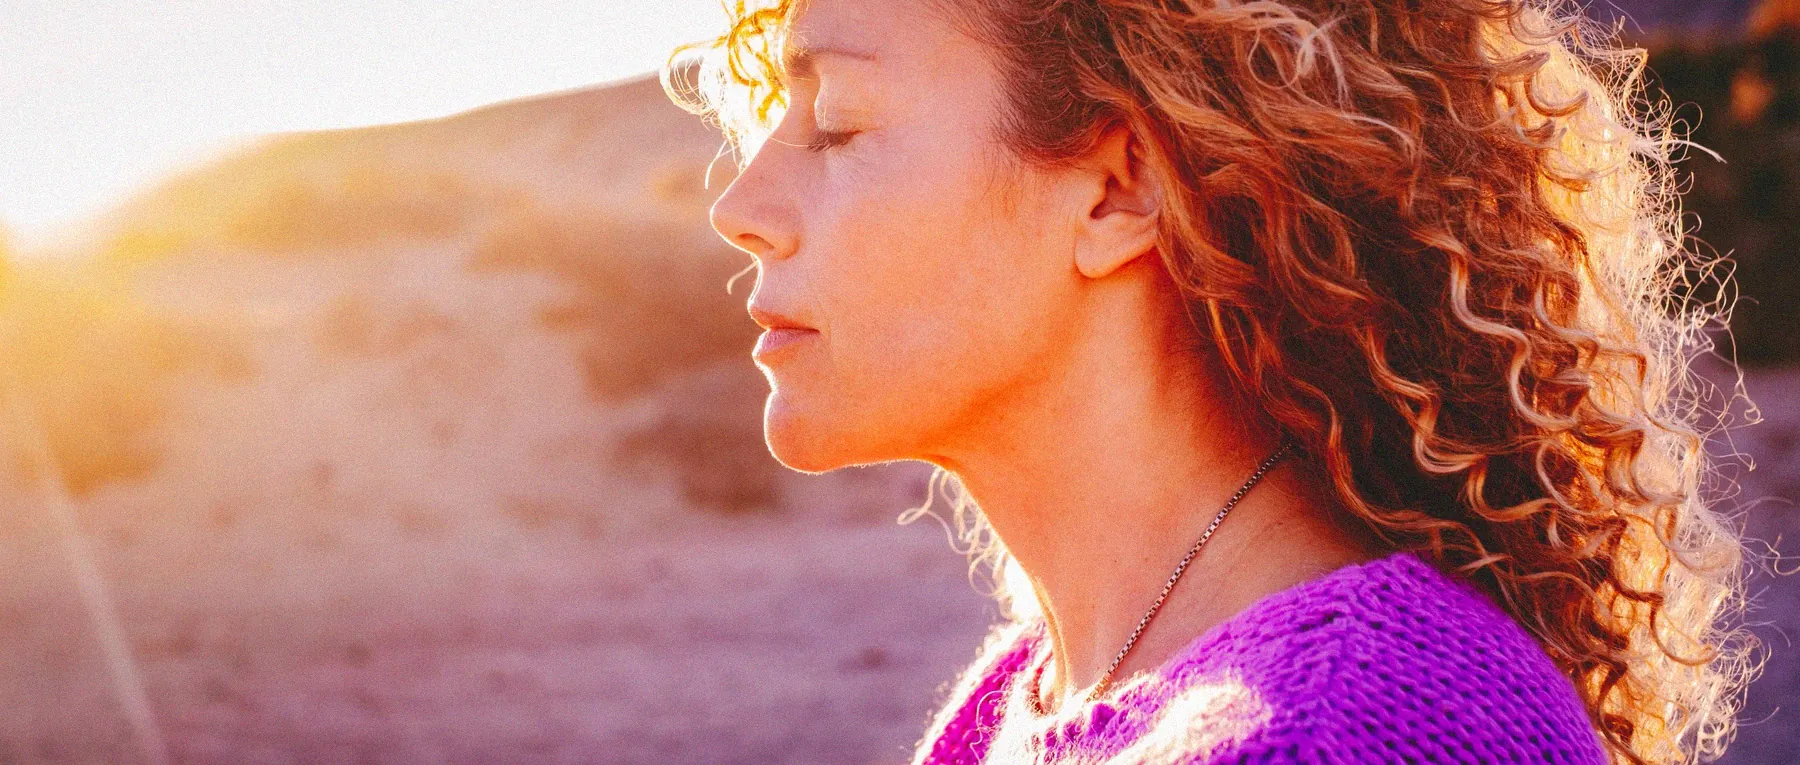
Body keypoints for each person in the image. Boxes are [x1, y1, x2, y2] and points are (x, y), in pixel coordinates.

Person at [663, 0, 1753, 762]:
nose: (740, 203)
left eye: (838, 121)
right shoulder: (1019, 703)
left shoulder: (1352, 727)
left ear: (1117, 191)